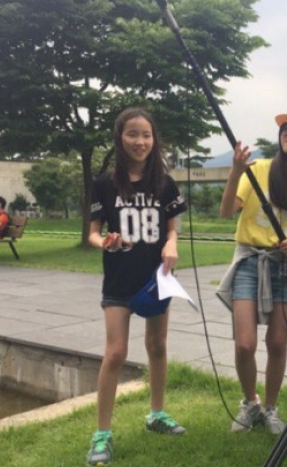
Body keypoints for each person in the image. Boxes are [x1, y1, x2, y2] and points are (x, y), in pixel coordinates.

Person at [85, 107, 188, 466]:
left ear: (154, 139)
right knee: (115, 353)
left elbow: (172, 228)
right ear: (120, 137)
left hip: (155, 277)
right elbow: (93, 233)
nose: (140, 142)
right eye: (133, 134)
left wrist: (172, 243)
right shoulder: (104, 183)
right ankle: (102, 434)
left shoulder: (165, 183)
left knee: (157, 346)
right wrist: (105, 243)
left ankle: (156, 414)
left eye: (146, 135)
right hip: (117, 279)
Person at [216, 105, 287, 435]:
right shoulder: (259, 169)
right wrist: (236, 171)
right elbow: (225, 212)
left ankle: (272, 408)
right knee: (244, 344)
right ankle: (250, 402)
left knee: (277, 343)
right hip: (251, 260)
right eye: (286, 128)